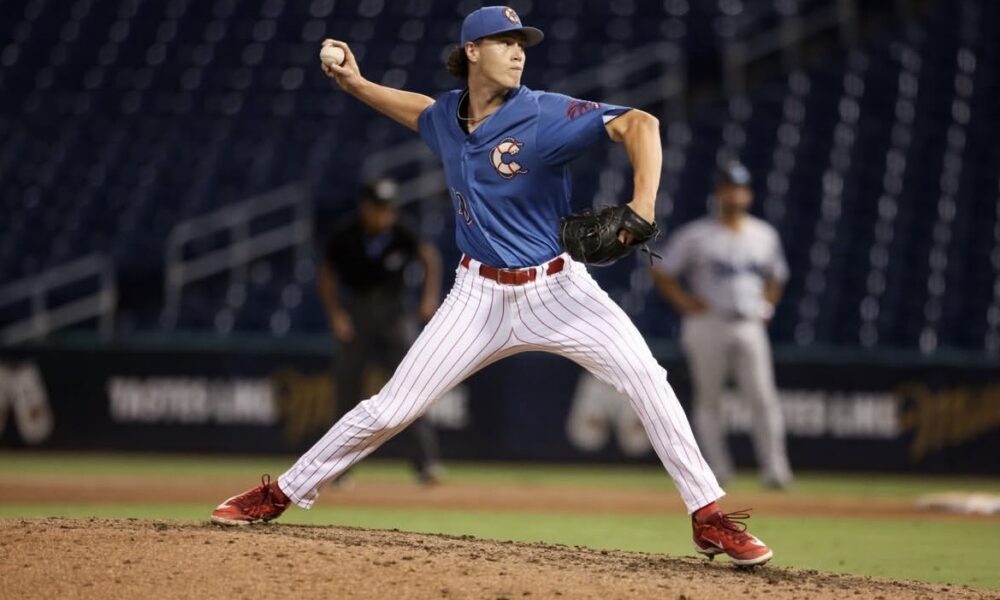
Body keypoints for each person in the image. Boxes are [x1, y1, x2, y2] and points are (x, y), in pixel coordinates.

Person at [211, 6, 773, 567]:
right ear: (472, 52)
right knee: (390, 410)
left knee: (647, 378)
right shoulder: (446, 118)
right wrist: (356, 84)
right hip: (476, 296)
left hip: (559, 292)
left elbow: (640, 124)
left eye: (521, 43)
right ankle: (281, 493)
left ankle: (708, 516)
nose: (518, 52)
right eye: (505, 42)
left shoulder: (543, 113)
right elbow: (418, 110)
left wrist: (642, 204)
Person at [651, 160, 793, 489]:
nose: (734, 195)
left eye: (740, 189)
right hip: (707, 322)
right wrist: (684, 301)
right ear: (717, 194)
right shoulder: (697, 234)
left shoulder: (764, 234)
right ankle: (717, 470)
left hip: (749, 323)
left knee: (763, 398)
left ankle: (776, 470)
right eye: (729, 189)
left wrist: (768, 306)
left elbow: (777, 277)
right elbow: (661, 269)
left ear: (749, 194)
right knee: (709, 398)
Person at [319, 178, 444, 485]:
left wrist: (428, 299)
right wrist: (335, 314)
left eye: (388, 208)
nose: (384, 214)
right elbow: (326, 273)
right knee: (347, 389)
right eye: (378, 208)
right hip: (357, 311)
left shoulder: (402, 231)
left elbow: (430, 258)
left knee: (412, 385)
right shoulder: (346, 234)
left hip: (394, 311)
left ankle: (426, 463)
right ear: (365, 207)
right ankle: (338, 470)